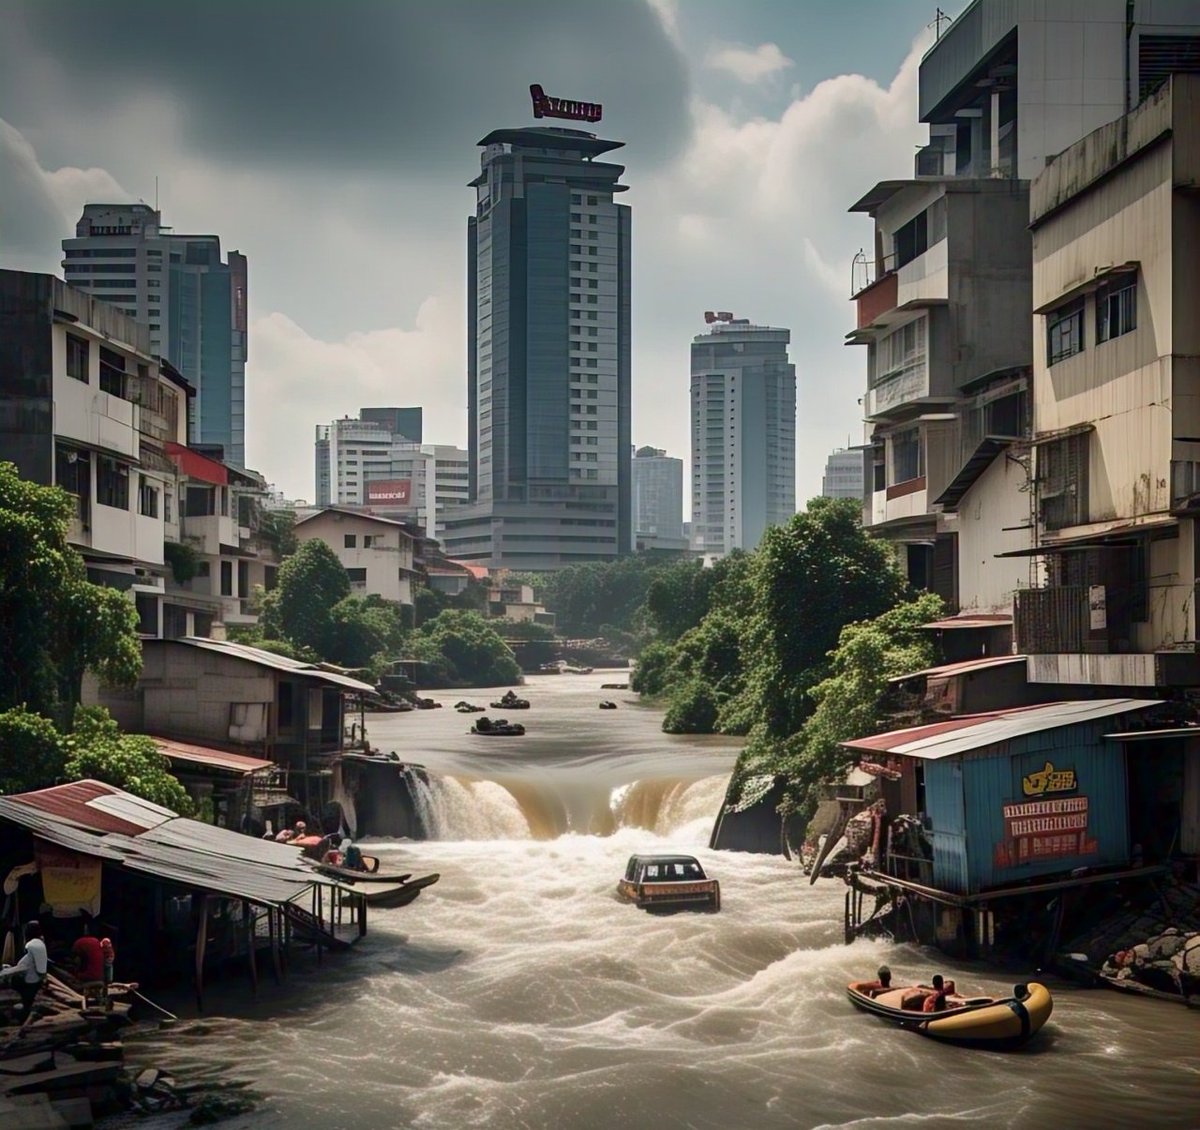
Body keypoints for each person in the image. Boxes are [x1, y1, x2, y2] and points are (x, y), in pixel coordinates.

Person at [0, 921, 49, 1028]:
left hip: (30, 981)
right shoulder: (39, 944)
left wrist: (6, 972)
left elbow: (25, 967)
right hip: (32, 979)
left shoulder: (32, 946)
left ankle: (18, 1017)